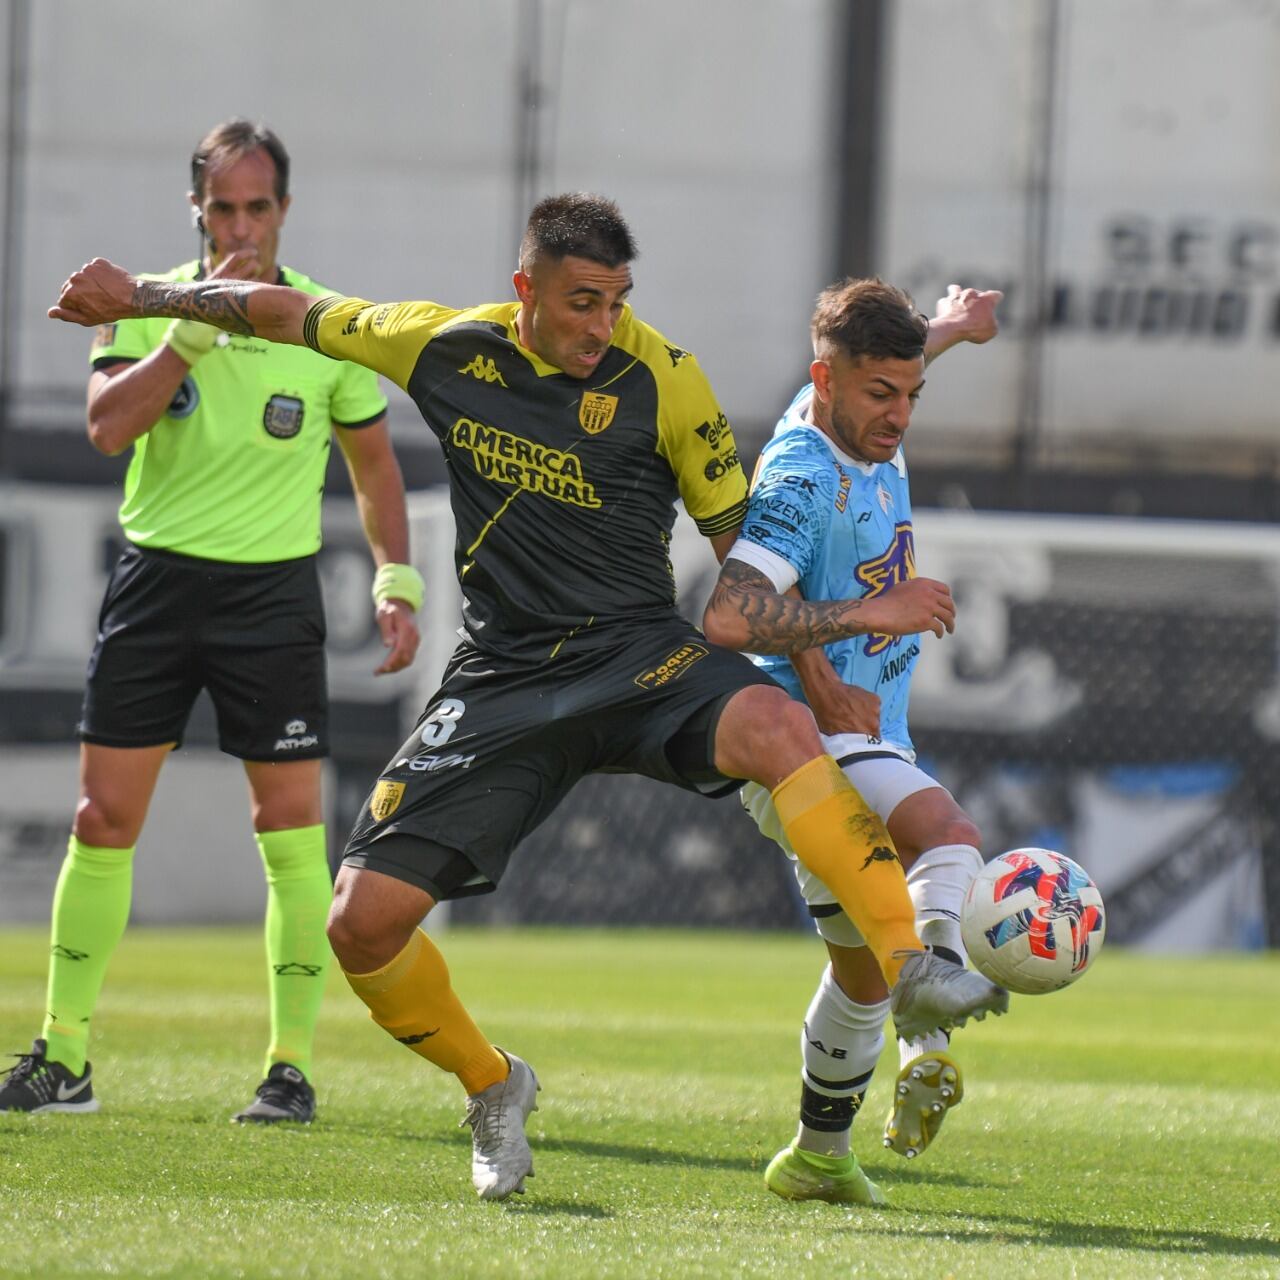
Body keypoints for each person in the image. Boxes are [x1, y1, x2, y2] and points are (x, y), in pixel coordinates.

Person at [46, 193, 1007, 1200]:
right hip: (504, 675)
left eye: (616, 302)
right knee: (359, 924)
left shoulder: (668, 378)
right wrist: (147, 295)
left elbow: (741, 560)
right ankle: (493, 1083)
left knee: (774, 722)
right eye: (581, 302)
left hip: (638, 654)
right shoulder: (443, 346)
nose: (602, 326)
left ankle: (911, 965)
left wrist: (813, 677)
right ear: (526, 292)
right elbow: (282, 311)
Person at [0, 119, 421, 1124]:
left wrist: (395, 576)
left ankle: (289, 1067)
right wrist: (188, 329)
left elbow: (371, 464)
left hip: (271, 597)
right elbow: (107, 428)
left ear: (284, 209)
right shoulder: (136, 304)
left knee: (287, 832)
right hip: (156, 583)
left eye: (258, 206)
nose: (240, 225)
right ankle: (65, 1056)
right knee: (101, 821)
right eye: (222, 206)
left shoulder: (320, 322)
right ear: (196, 208)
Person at [702, 278, 1002, 1205]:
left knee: (860, 975)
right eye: (881, 395)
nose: (900, 415)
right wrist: (880, 608)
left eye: (911, 393)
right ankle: (933, 1014)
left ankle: (818, 1157)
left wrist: (952, 328)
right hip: (808, 743)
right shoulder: (802, 475)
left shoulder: (852, 405)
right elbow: (726, 615)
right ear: (820, 382)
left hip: (868, 731)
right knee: (950, 836)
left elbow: (895, 362)